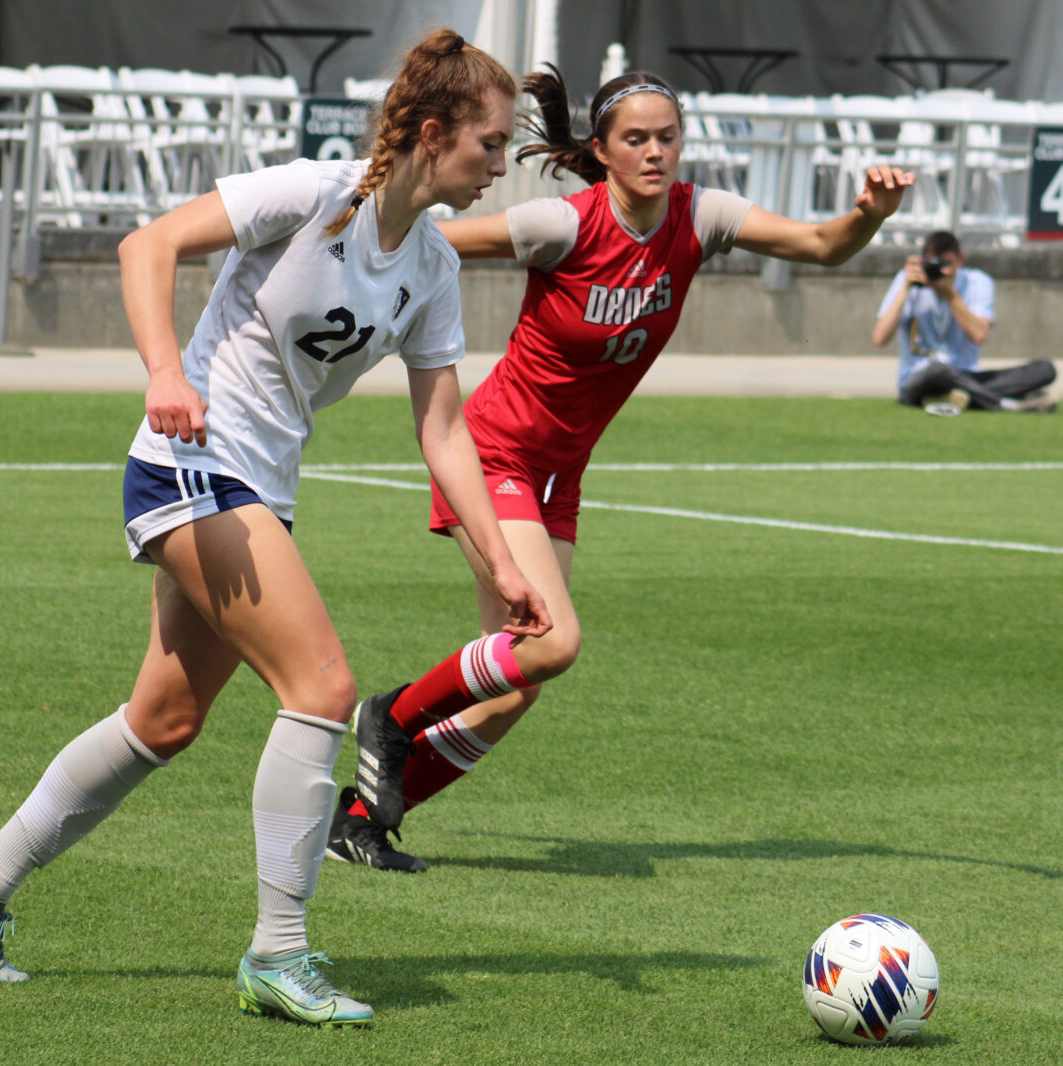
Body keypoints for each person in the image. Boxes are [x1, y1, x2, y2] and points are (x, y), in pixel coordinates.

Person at [0, 29, 552, 1029]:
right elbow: (148, 245)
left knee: (162, 721)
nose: (499, 165)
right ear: (433, 134)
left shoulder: (429, 265)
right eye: (489, 143)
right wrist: (165, 372)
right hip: (191, 465)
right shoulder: (315, 194)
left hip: (261, 487)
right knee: (325, 689)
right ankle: (279, 952)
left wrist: (504, 562)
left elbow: (442, 431)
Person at [321, 67, 912, 870]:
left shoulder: (701, 216)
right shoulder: (561, 225)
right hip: (495, 452)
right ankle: (390, 716)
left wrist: (868, 216)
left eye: (667, 136)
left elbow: (820, 245)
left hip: (560, 474)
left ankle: (359, 819)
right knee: (553, 642)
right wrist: (342, 250)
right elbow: (431, 238)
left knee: (518, 684)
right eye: (635, 138)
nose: (656, 151)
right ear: (601, 150)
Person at [872, 230, 1057, 415]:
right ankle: (1005, 403)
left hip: (967, 376)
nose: (941, 271)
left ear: (961, 260)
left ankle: (955, 396)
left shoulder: (978, 282)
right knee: (937, 371)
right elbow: (880, 338)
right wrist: (905, 289)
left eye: (947, 264)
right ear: (923, 262)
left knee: (1045, 369)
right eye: (934, 264)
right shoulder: (907, 281)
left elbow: (979, 335)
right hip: (920, 379)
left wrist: (950, 295)